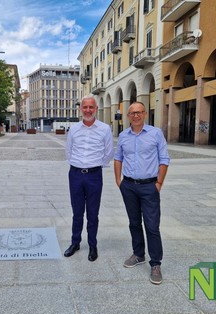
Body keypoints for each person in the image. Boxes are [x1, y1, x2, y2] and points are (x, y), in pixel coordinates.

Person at [114, 101, 170, 284]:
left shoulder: (155, 133)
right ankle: (138, 254)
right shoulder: (123, 136)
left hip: (149, 186)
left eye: (139, 112)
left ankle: (155, 263)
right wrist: (118, 181)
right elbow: (118, 158)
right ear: (128, 116)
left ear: (145, 114)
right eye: (132, 113)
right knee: (134, 223)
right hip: (129, 186)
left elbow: (164, 159)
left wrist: (159, 183)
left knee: (152, 226)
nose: (136, 116)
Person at [64, 94, 114, 262]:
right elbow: (69, 151)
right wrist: (78, 165)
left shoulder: (105, 129)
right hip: (76, 175)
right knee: (77, 212)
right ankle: (75, 242)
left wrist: (95, 165)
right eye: (85, 107)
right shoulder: (74, 129)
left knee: (93, 214)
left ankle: (92, 245)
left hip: (94, 175)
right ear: (80, 109)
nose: (87, 110)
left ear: (96, 109)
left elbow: (108, 153)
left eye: (91, 107)